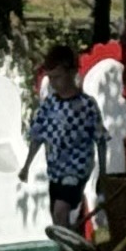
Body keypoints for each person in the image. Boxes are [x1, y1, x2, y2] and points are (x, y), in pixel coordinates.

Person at [27, 45, 100, 235]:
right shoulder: (49, 105)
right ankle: (70, 244)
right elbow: (37, 136)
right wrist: (26, 166)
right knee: (57, 216)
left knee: (61, 210)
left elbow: (100, 138)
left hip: (77, 167)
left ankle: (68, 245)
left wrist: (104, 175)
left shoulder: (86, 105)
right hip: (56, 170)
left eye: (58, 77)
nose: (54, 83)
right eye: (51, 78)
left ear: (72, 73)